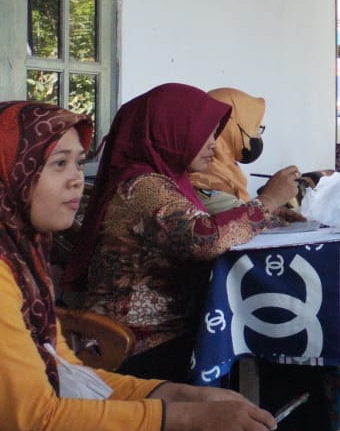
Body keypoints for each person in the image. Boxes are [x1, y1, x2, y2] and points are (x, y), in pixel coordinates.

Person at [0, 102, 275, 431]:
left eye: (76, 162)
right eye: (57, 164)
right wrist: (186, 414)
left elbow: (66, 373)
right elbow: (37, 417)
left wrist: (177, 394)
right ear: (13, 173)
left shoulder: (22, 254)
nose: (75, 180)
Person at [67, 83, 298, 381]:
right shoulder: (143, 186)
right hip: (138, 341)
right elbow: (205, 239)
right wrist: (267, 201)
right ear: (170, 130)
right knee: (268, 350)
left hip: (168, 331)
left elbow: (199, 225)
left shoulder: (168, 180)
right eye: (205, 134)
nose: (214, 145)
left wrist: (270, 216)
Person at [189, 87, 301, 217]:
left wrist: (271, 212)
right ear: (230, 127)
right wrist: (270, 199)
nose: (213, 143)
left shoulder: (228, 174)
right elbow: (234, 224)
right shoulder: (203, 182)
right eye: (254, 127)